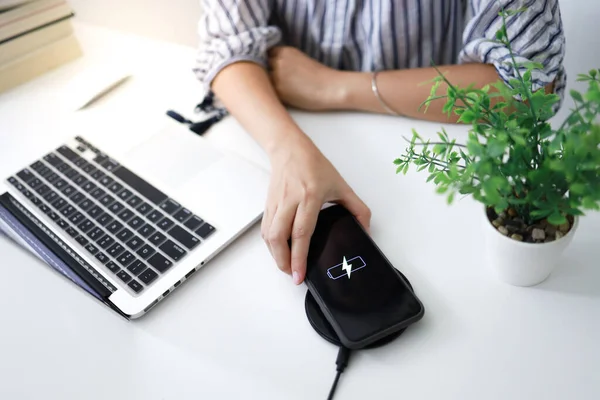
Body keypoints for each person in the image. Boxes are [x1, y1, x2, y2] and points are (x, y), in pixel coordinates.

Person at [193, 0, 565, 285]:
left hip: (435, 173)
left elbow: (527, 88)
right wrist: (288, 151)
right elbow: (225, 46)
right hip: (277, 139)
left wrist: (332, 86)